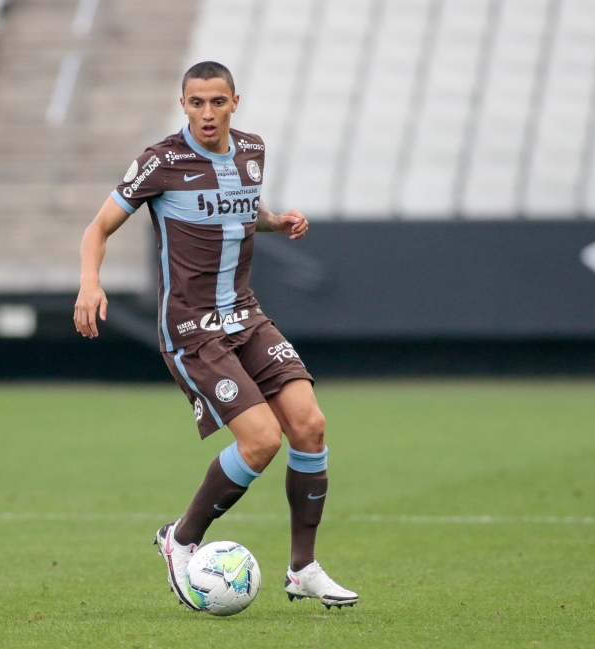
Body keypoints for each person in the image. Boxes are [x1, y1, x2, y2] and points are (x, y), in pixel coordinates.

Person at [73, 61, 358, 611]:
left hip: (245, 316)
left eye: (218, 102)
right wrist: (90, 283)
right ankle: (181, 539)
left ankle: (303, 568)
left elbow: (245, 208)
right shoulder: (161, 161)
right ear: (183, 104)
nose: (207, 113)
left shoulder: (251, 150)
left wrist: (277, 222)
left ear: (235, 102)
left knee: (309, 425)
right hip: (191, 327)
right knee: (261, 440)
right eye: (197, 102)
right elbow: (98, 227)